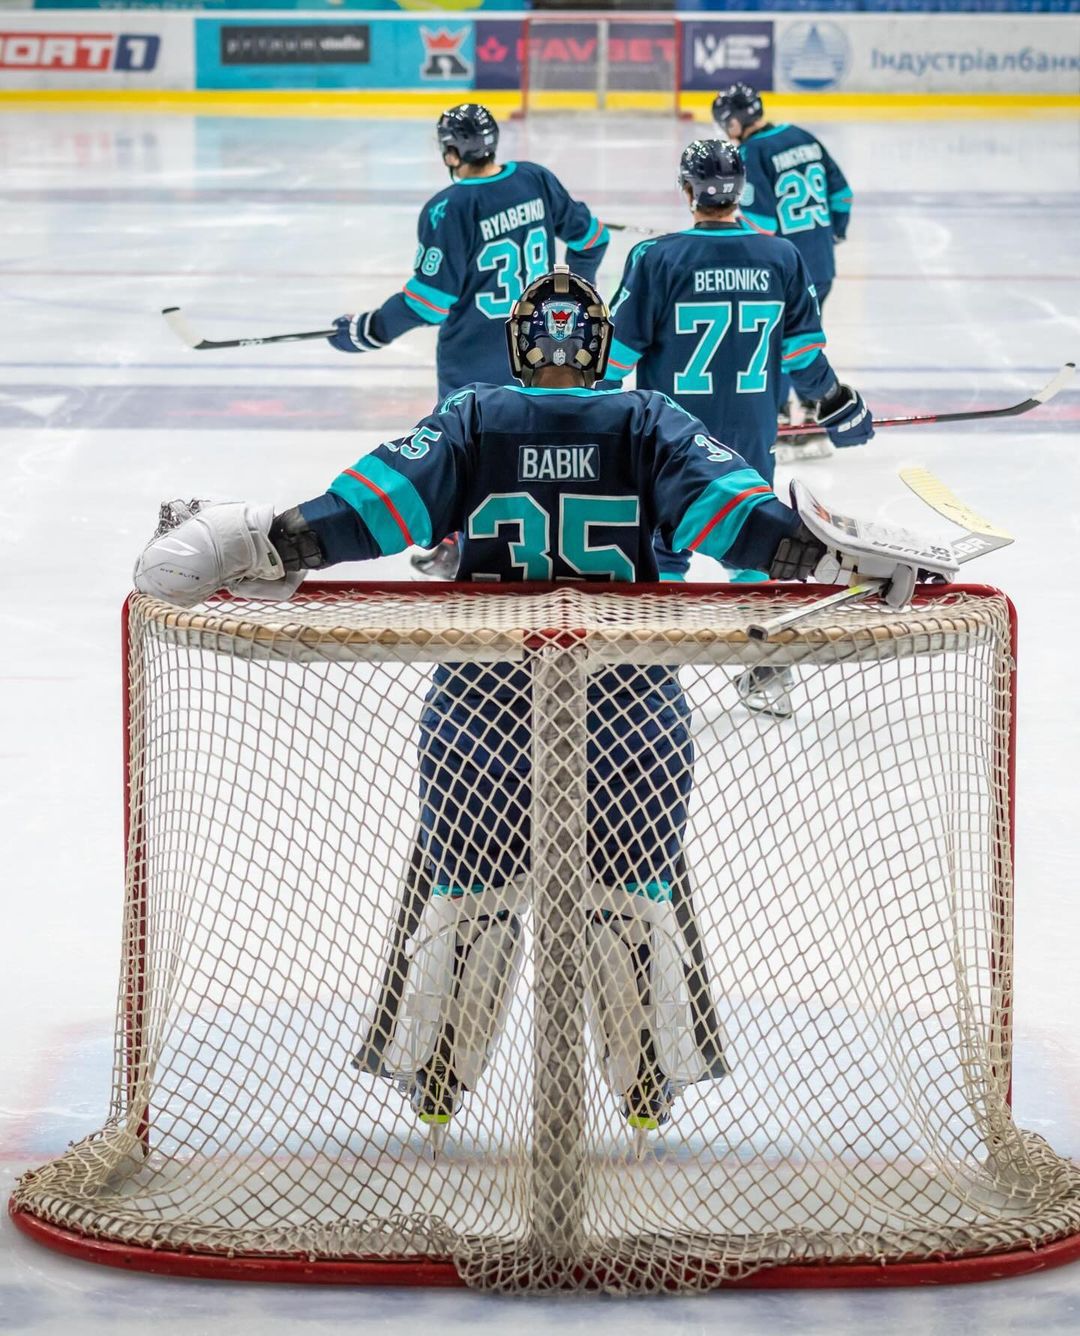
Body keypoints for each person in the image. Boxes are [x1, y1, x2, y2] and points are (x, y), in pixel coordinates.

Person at [133, 268, 940, 1145]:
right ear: (600, 348)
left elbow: (372, 508)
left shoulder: (474, 416)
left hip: (483, 707)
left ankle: (437, 1086)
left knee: (464, 896)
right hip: (627, 707)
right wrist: (840, 558)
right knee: (634, 898)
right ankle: (646, 1093)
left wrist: (266, 539)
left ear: (520, 342)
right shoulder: (649, 420)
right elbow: (744, 522)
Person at [603, 138, 871, 663]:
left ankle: (657, 675)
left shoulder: (655, 258)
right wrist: (836, 401)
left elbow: (612, 362)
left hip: (671, 444)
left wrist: (594, 419)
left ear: (687, 191)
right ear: (742, 190)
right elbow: (804, 364)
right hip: (750, 440)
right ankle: (766, 672)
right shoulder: (781, 256)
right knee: (754, 549)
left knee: (662, 551)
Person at [325, 102, 611, 579]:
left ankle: (462, 545)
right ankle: (552, 541)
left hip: (473, 360)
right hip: (541, 350)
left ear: (451, 151)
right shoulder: (535, 179)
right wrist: (572, 303)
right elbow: (592, 239)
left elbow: (431, 301)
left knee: (464, 453)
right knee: (547, 448)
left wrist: (369, 330)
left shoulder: (448, 207)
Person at [712, 83, 852, 437]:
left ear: (733, 122)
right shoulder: (802, 136)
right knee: (805, 336)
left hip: (784, 270)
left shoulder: (750, 153)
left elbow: (764, 225)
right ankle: (810, 410)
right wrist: (833, 232)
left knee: (778, 340)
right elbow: (843, 195)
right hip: (821, 264)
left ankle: (776, 416)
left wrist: (729, 230)